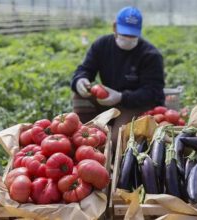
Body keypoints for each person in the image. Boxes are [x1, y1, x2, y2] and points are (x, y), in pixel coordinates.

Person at [70, 6, 165, 152]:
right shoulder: (102, 45)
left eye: (132, 35)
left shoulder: (150, 55)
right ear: (114, 27)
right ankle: (86, 130)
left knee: (115, 141)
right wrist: (80, 80)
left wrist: (121, 97)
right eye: (124, 34)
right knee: (79, 96)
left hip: (135, 104)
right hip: (107, 100)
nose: (128, 39)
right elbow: (85, 69)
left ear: (139, 32)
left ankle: (110, 146)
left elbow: (153, 93)